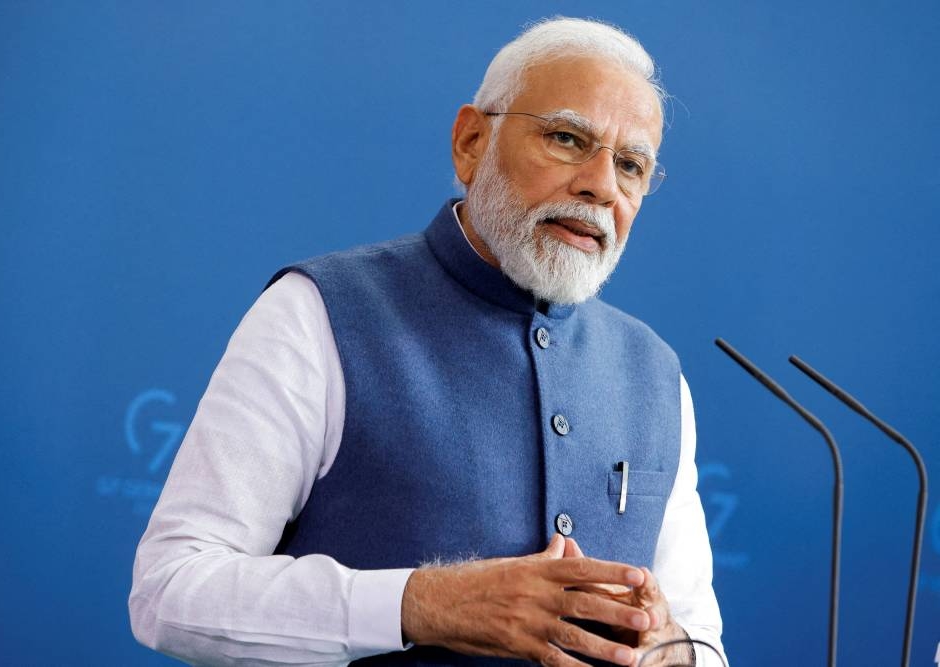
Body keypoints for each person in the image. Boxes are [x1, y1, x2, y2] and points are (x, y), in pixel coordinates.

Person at [130, 17, 726, 667]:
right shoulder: (317, 314)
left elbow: (700, 637)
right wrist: (422, 603)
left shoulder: (658, 375)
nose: (601, 186)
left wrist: (674, 651)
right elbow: (169, 590)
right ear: (471, 142)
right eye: (566, 138)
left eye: (632, 165)